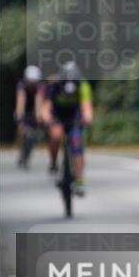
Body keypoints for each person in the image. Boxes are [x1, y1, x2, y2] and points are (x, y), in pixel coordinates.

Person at [42, 61, 94, 196]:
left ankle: (79, 181)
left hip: (74, 115)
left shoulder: (83, 85)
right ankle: (53, 163)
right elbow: (46, 108)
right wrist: (47, 118)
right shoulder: (54, 86)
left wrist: (87, 118)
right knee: (55, 135)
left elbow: (86, 107)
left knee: (77, 144)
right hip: (58, 114)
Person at [14, 65, 44, 168]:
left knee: (32, 135)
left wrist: (38, 116)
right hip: (24, 109)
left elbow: (38, 102)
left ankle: (28, 154)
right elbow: (20, 101)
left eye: (34, 82)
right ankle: (21, 150)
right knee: (22, 130)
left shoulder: (39, 87)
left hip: (33, 110)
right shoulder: (21, 85)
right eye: (30, 81)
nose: (31, 84)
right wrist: (19, 115)